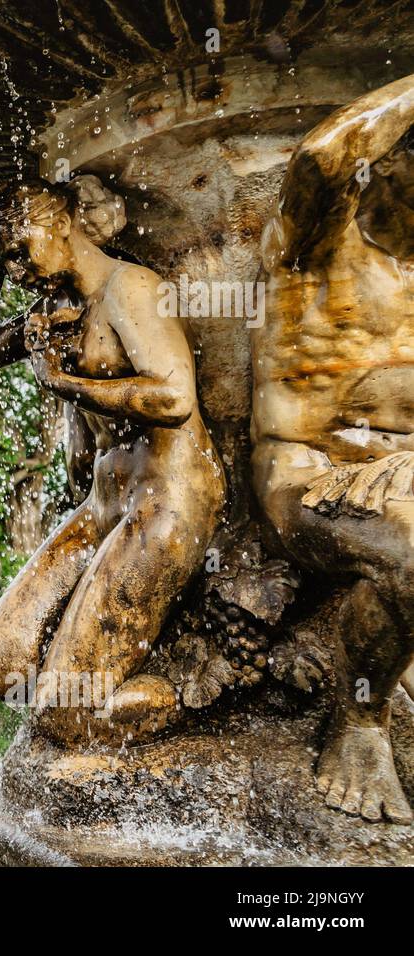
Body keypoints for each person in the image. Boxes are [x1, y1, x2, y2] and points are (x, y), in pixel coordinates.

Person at [0, 175, 226, 746]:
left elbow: (174, 399)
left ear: (62, 222)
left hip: (167, 499)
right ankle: (98, 681)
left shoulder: (128, 287)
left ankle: (196, 696)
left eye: (17, 249)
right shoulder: (56, 308)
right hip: (105, 502)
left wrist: (63, 381)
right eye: (2, 259)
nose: (13, 270)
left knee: (64, 710)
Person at [252, 73, 414, 823]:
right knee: (411, 548)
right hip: (310, 471)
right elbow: (320, 157)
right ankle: (359, 722)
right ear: (388, 161)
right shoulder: (315, 243)